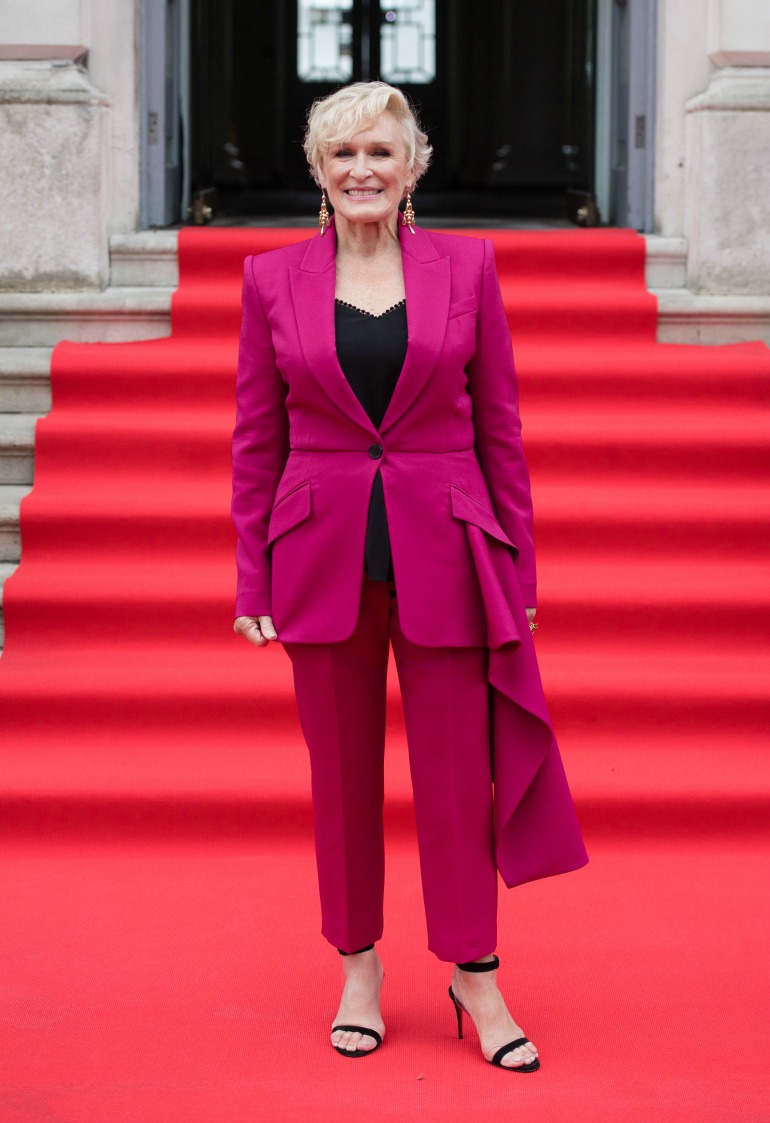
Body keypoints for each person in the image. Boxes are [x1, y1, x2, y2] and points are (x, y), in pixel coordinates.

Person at [231, 81, 588, 1071]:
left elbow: (498, 430)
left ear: (412, 165)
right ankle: (356, 965)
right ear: (316, 168)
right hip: (318, 553)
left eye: (380, 152)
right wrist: (249, 580)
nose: (360, 170)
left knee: (453, 784)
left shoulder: (469, 268)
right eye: (341, 153)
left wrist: (516, 565)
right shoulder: (269, 279)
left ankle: (473, 969)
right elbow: (256, 441)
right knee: (338, 781)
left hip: (448, 548)